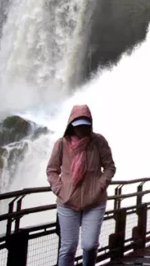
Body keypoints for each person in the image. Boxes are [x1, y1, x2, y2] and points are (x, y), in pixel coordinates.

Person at [46, 105, 116, 266]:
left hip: (94, 201)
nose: (81, 129)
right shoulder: (61, 144)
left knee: (90, 245)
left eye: (85, 125)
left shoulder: (98, 142)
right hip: (67, 202)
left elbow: (110, 167)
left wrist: (99, 186)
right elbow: (52, 170)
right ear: (71, 125)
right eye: (78, 126)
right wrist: (60, 190)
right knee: (68, 247)